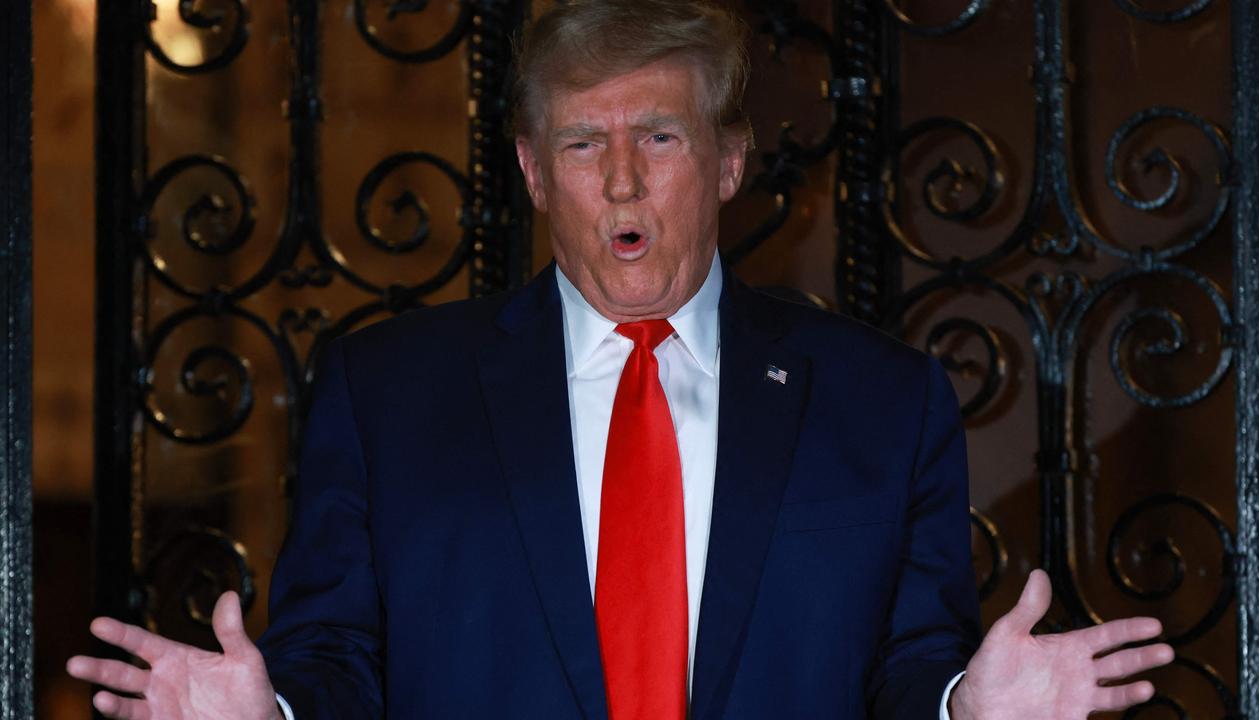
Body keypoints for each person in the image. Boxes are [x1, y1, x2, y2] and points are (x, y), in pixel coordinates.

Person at [68, 1, 1174, 718]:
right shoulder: (387, 393)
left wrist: (963, 711)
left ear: (729, 162)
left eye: (659, 138)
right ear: (534, 173)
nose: (624, 184)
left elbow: (903, 668)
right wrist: (267, 715)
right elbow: (336, 662)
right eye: (584, 145)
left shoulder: (880, 401)